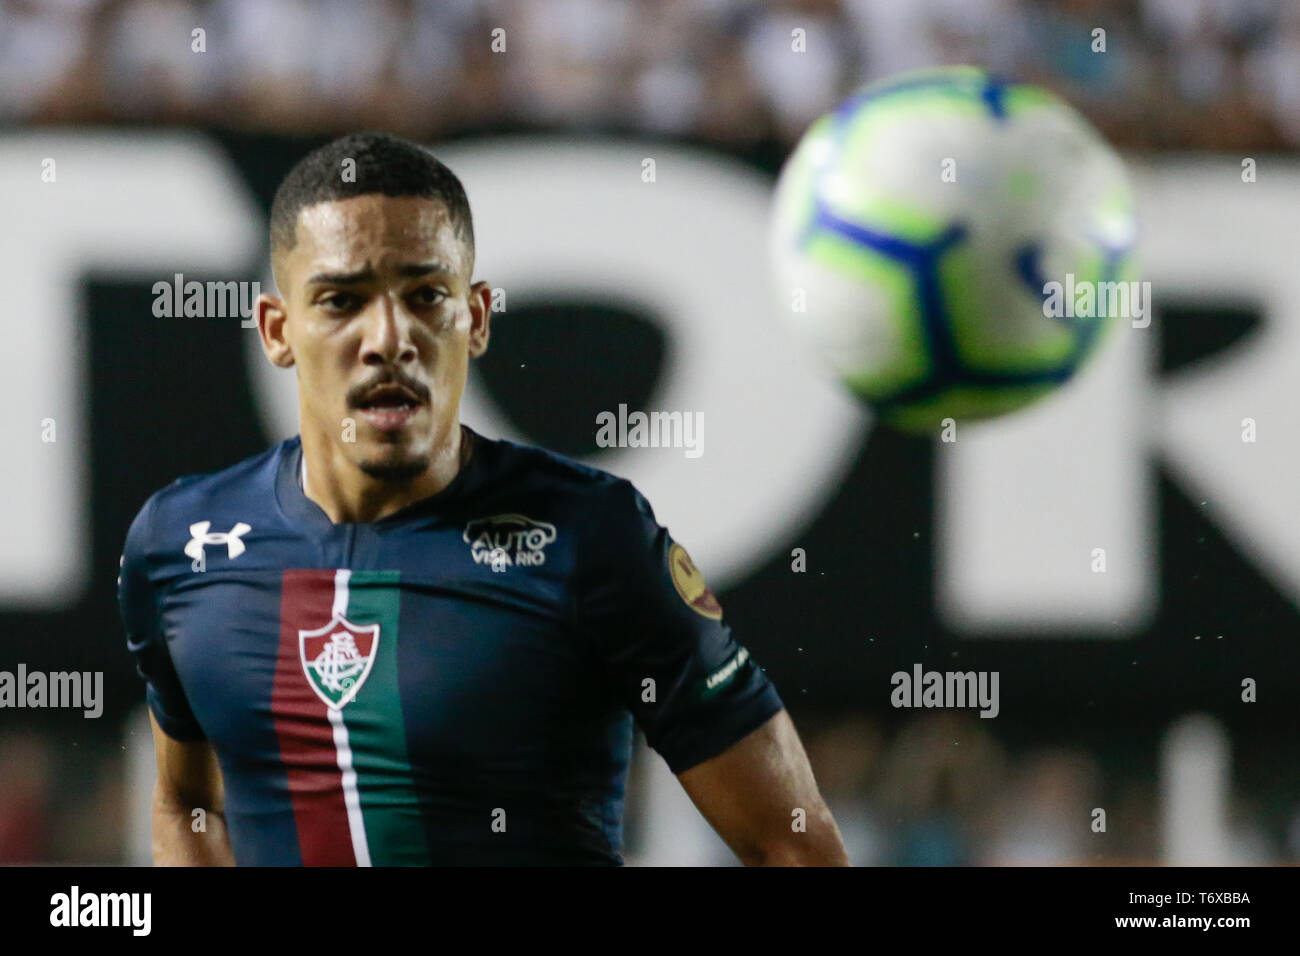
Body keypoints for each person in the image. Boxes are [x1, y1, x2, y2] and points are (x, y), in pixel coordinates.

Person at [118, 131, 848, 866]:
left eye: (426, 296)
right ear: (278, 330)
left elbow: (793, 847)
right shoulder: (180, 545)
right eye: (342, 300)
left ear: (477, 318)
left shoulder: (592, 537)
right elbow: (187, 804)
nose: (389, 338)